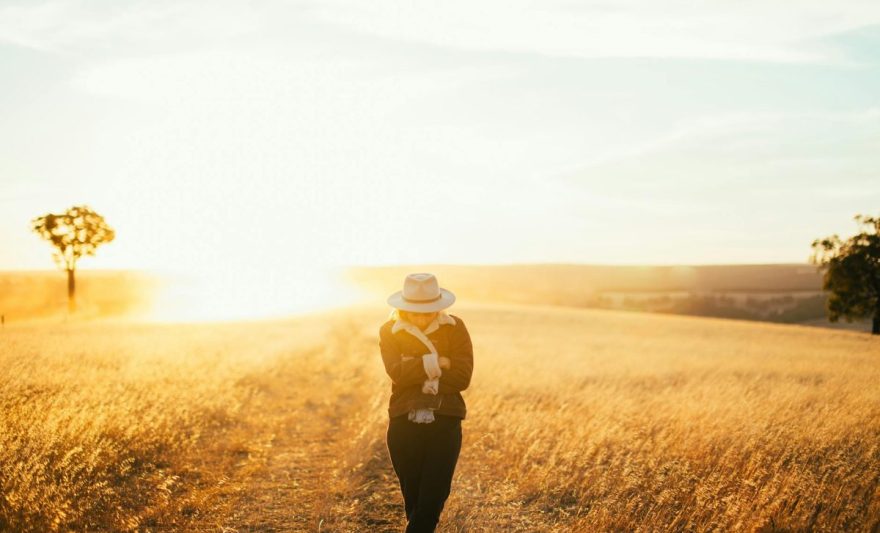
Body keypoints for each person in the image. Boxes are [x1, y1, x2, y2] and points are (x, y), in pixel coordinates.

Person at [379, 272, 474, 533]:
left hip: (446, 417)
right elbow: (396, 372)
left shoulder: (456, 327)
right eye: (415, 312)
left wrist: (414, 367)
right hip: (402, 417)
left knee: (434, 493)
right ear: (403, 308)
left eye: (428, 311)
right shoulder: (389, 330)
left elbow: (462, 377)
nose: (421, 317)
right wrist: (439, 362)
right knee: (413, 495)